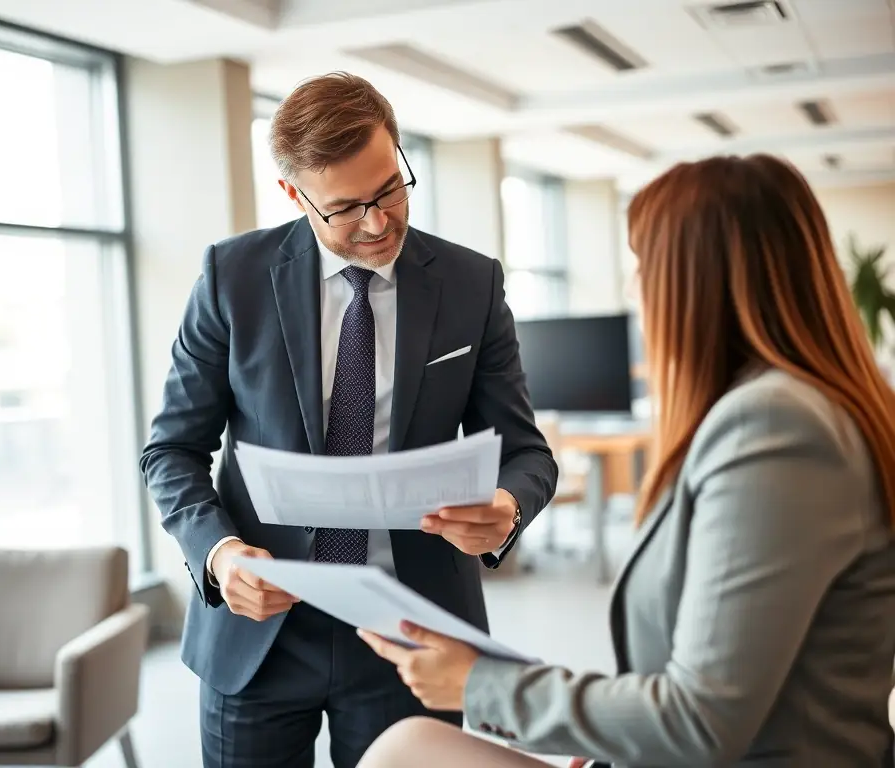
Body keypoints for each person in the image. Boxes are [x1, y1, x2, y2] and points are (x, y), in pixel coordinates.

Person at [356, 153, 895, 768]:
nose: (636, 287)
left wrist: (478, 683)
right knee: (410, 746)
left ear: (695, 280)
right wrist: (607, 738)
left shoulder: (776, 427)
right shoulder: (788, 409)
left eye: (643, 263)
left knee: (406, 751)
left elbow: (701, 720)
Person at [139, 71, 557, 768]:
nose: (378, 221)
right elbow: (171, 450)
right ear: (292, 194)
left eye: (390, 187)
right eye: (345, 207)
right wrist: (220, 554)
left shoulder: (470, 283)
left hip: (413, 633)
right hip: (259, 629)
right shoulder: (231, 277)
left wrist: (508, 504)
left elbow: (528, 452)